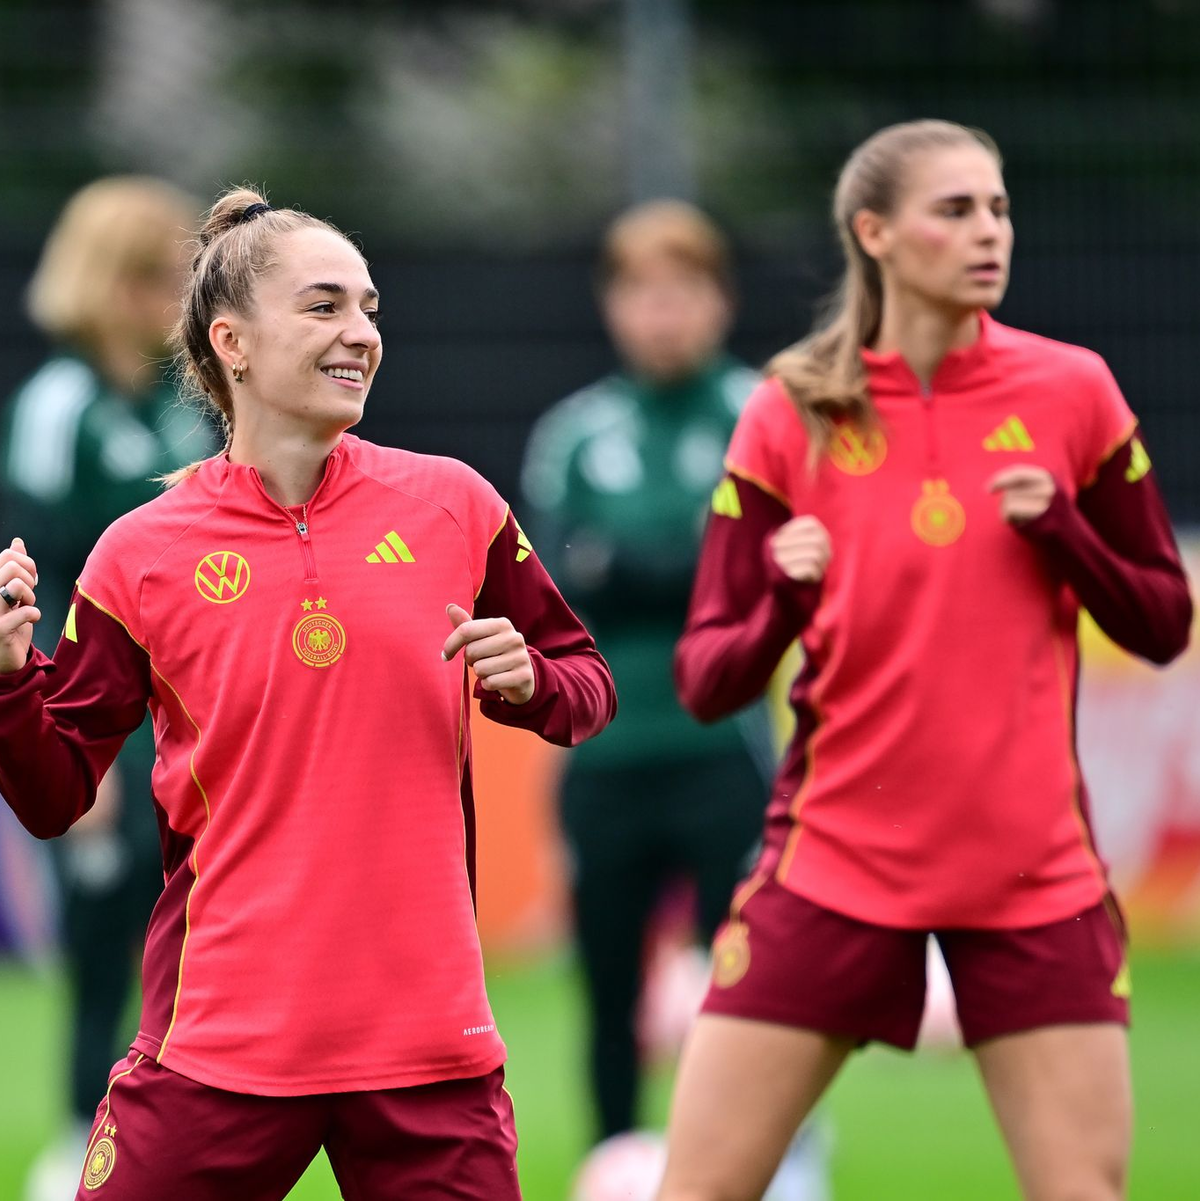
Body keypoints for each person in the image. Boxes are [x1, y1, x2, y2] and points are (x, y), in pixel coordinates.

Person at [0, 186, 616, 1200]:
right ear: (231, 341)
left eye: (370, 307)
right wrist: (6, 682)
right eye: (324, 306)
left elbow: (583, 682)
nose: (361, 333)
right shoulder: (140, 554)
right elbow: (54, 789)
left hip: (430, 1050)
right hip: (218, 1046)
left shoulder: (455, 505)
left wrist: (534, 681)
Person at [654, 120, 1193, 1201]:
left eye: (997, 207)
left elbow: (1162, 622)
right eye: (956, 210)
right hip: (832, 866)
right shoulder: (788, 408)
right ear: (876, 234)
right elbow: (707, 676)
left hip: (1034, 874)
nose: (989, 231)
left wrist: (1068, 537)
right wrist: (779, 599)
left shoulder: (1075, 391)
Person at [522, 200, 773, 1138]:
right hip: (606, 755)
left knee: (748, 991)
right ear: (612, 305)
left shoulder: (764, 416)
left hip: (725, 749)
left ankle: (757, 1167)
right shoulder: (575, 432)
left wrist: (630, 564)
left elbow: (759, 572)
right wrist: (695, 557)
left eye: (683, 290)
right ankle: (615, 1163)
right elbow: (559, 584)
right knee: (609, 996)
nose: (662, 312)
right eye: (642, 292)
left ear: (719, 299)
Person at [0, 176, 216, 1201]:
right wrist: (66, 743)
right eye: (158, 276)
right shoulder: (58, 407)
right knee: (102, 940)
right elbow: (33, 570)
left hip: (190, 715)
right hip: (103, 722)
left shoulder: (186, 408)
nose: (175, 294)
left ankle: (180, 1136)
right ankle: (75, 1144)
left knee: (193, 943)